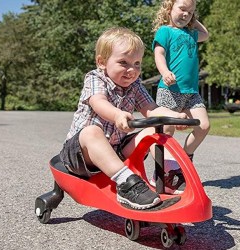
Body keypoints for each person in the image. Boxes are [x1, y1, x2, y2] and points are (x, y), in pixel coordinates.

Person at [59, 27, 187, 210]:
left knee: (161, 126)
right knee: (92, 132)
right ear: (102, 62)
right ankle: (127, 184)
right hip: (81, 156)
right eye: (123, 62)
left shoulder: (134, 85)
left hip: (117, 150)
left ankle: (167, 175)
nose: (132, 70)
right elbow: (98, 102)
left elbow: (150, 109)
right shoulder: (95, 78)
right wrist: (117, 114)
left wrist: (175, 117)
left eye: (137, 63)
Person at [150, 0, 210, 194]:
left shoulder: (192, 34)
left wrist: (194, 18)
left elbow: (206, 35)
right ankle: (161, 172)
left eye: (190, 12)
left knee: (203, 126)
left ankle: (184, 160)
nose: (186, 14)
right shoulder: (165, 31)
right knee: (165, 131)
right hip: (169, 90)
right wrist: (164, 71)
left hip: (191, 92)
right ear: (169, 9)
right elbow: (159, 54)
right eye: (182, 9)